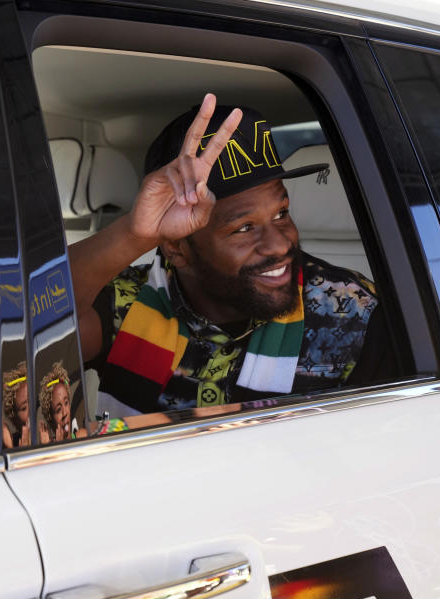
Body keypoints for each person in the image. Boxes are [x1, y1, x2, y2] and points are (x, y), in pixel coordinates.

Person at [71, 94, 378, 416]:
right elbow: (24, 329)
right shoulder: (130, 301)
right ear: (177, 248)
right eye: (244, 228)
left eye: (281, 213)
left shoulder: (352, 309)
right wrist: (134, 235)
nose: (279, 244)